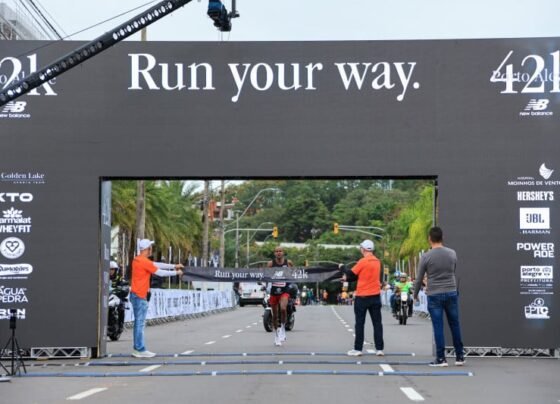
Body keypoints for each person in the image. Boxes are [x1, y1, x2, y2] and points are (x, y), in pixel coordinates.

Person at [413, 226, 465, 367]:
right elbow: (453, 270)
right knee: (455, 324)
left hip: (434, 294)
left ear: (430, 239)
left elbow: (418, 279)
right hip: (451, 292)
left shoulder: (426, 256)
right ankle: (460, 356)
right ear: (442, 238)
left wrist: (415, 294)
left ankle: (441, 359)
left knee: (438, 326)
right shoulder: (452, 253)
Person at [130, 239, 184, 358]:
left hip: (136, 294)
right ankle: (139, 349)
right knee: (140, 323)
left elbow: (156, 265)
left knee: (138, 323)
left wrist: (174, 266)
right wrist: (176, 273)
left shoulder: (138, 260)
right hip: (140, 295)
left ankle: (137, 348)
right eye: (151, 247)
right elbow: (160, 272)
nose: (152, 249)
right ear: (147, 249)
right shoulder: (143, 261)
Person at [340, 240, 384, 357]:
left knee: (360, 323)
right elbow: (360, 276)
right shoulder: (378, 262)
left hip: (362, 297)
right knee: (377, 323)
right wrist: (347, 279)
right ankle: (379, 349)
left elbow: (351, 273)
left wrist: (342, 268)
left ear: (363, 249)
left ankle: (358, 349)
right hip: (375, 296)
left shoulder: (363, 261)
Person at [266, 246, 293, 346]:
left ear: (283, 252)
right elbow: (266, 275)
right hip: (273, 290)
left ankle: (282, 328)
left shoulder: (288, 262)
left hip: (284, 290)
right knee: (275, 315)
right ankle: (276, 336)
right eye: (276, 251)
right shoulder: (270, 263)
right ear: (274, 253)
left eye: (280, 251)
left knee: (283, 308)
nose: (278, 253)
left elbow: (294, 274)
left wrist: (290, 283)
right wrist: (266, 286)